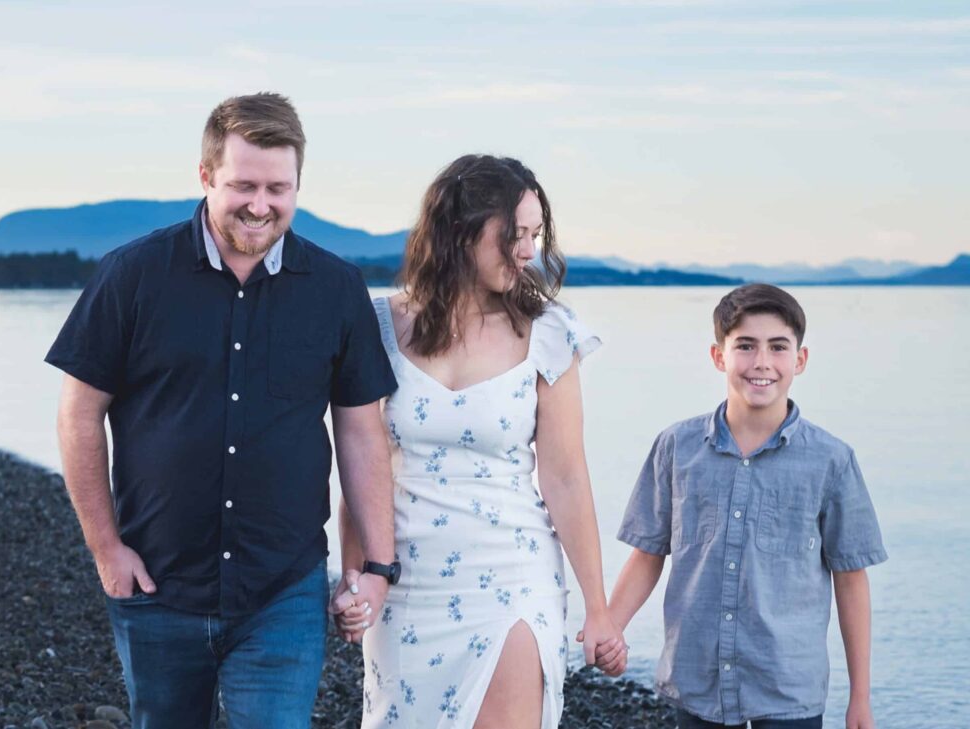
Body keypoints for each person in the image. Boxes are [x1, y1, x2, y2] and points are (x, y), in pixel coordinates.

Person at [46, 92, 398, 729]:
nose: (260, 205)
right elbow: (77, 415)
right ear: (205, 176)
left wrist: (375, 566)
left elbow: (362, 432)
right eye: (243, 185)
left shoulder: (337, 289)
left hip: (282, 591)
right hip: (157, 585)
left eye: (278, 188)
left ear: (297, 186)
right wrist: (106, 549)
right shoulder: (131, 276)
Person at [331, 154, 626, 728]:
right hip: (406, 581)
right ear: (461, 231)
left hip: (512, 575)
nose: (528, 250)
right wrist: (353, 575)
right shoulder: (377, 326)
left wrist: (599, 609)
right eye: (515, 233)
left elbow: (565, 476)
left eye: (536, 235)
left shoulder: (548, 331)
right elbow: (362, 464)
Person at [603, 284, 887, 728]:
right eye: (745, 346)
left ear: (800, 360)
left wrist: (861, 699)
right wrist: (610, 626)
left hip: (788, 689)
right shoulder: (677, 447)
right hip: (696, 683)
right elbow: (647, 554)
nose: (761, 363)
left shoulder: (832, 460)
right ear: (719, 356)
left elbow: (851, 581)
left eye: (778, 347)